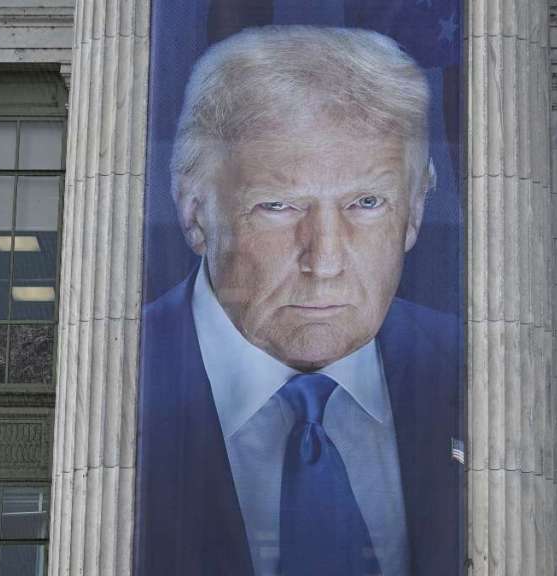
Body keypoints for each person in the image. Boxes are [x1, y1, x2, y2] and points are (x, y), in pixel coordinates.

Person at [136, 26, 461, 576]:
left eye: (366, 202)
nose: (326, 259)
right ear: (194, 213)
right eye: (279, 205)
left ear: (416, 211)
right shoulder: (111, 370)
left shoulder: (473, 368)